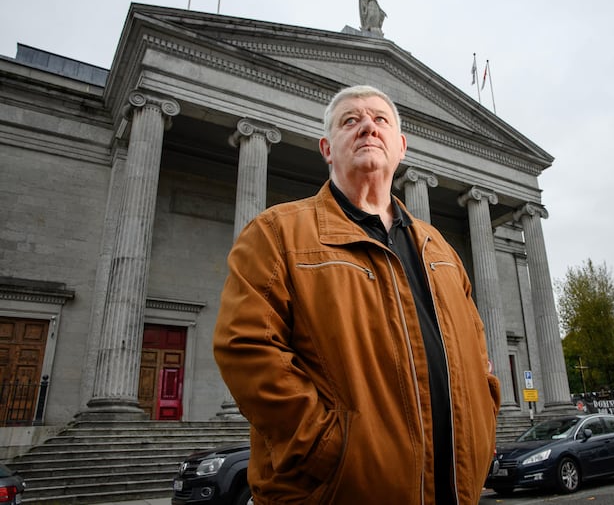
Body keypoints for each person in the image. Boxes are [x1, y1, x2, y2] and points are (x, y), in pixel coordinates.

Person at [214, 85, 501, 505]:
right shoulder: (277, 233)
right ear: (327, 148)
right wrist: (327, 447)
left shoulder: (440, 250)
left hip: (455, 490)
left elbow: (478, 353)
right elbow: (246, 347)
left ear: (400, 147)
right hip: (338, 489)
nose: (368, 126)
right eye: (351, 120)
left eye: (381, 119)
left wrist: (484, 421)